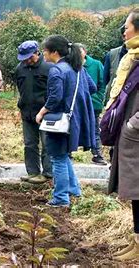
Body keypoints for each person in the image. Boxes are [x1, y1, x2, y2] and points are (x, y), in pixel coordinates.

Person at [35, 35, 97, 207]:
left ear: (54, 52)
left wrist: (41, 113)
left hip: (60, 121)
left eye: (45, 51)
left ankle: (61, 198)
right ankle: (74, 190)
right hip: (75, 119)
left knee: (57, 158)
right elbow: (92, 88)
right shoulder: (77, 68)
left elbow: (55, 98)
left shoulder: (56, 70)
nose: (43, 55)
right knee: (63, 156)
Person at [107, 8, 139, 261]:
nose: (124, 31)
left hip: (136, 135)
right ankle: (136, 241)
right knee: (136, 193)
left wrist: (132, 125)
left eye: (127, 27)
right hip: (132, 137)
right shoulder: (132, 57)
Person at [15, 40, 53, 184]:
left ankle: (48, 173)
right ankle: (32, 172)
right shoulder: (20, 69)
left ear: (37, 52)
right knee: (29, 144)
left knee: (47, 144)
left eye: (30, 57)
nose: (27, 61)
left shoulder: (49, 68)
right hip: (27, 112)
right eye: (24, 58)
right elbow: (21, 89)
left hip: (45, 113)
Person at [77, 44, 108, 165]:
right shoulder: (72, 65)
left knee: (95, 129)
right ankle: (68, 154)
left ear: (85, 52)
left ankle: (97, 155)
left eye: (80, 52)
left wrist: (98, 98)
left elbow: (102, 83)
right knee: (73, 128)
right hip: (77, 104)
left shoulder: (96, 64)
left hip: (93, 103)